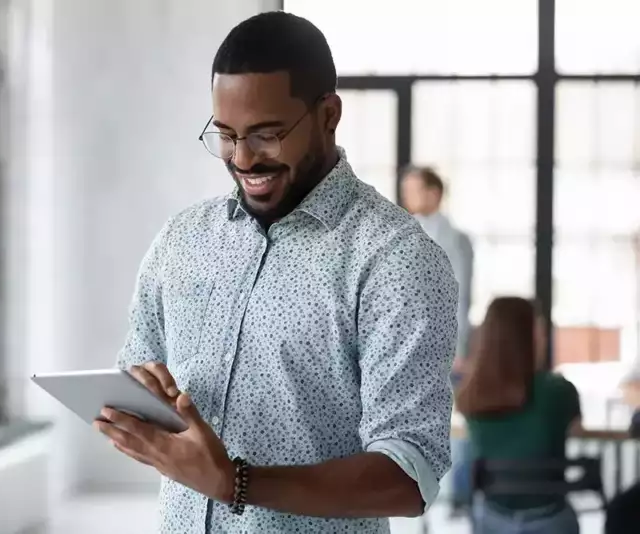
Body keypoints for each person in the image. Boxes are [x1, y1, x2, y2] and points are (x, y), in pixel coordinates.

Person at [94, 12, 458, 533]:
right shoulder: (182, 239)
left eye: (267, 135)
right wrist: (139, 403)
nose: (243, 158)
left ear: (328, 114)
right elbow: (136, 375)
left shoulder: (395, 259)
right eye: (225, 135)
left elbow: (408, 477)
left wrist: (235, 482)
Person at [456, 297, 582, 534]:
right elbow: (576, 429)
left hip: (492, 521)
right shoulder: (558, 390)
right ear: (530, 336)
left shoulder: (472, 392)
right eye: (540, 328)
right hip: (550, 521)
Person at [401, 165, 474, 515]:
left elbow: (461, 295)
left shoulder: (455, 238)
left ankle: (458, 495)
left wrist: (458, 348)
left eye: (413, 189)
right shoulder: (404, 233)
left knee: (457, 421)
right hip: (409, 346)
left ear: (434, 193)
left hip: (446, 345)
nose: (406, 196)